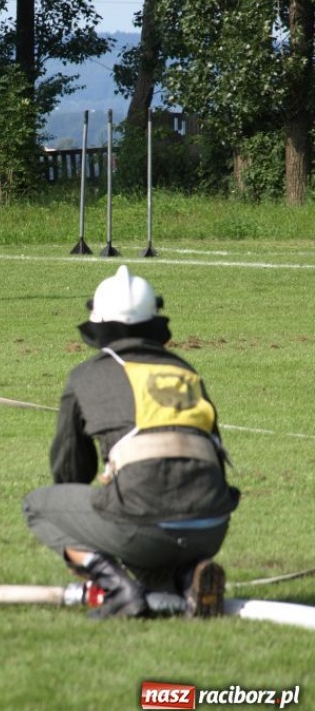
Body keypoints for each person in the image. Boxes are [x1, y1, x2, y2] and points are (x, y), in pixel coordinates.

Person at [23, 265, 240, 619]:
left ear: (99, 323)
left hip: (144, 526)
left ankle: (117, 588)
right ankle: (188, 578)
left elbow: (70, 470)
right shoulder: (185, 370)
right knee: (149, 528)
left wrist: (89, 528)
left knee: (37, 505)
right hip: (212, 528)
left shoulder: (86, 376)